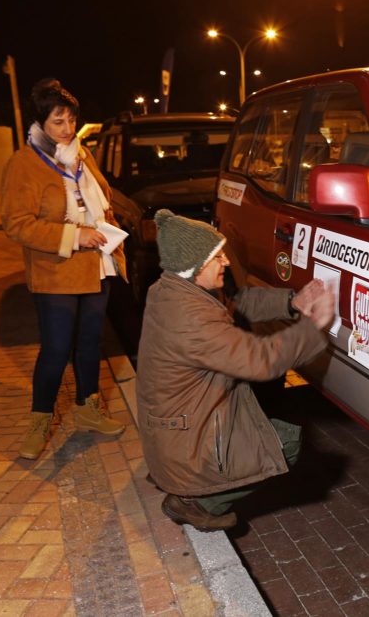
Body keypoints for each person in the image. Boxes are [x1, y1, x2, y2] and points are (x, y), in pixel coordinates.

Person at [137, 209, 335, 530]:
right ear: (194, 266)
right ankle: (195, 502)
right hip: (186, 442)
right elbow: (261, 359)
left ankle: (189, 485)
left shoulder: (174, 290)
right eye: (217, 257)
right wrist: (313, 328)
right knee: (285, 443)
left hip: (179, 428)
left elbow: (238, 301)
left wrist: (292, 301)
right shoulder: (190, 320)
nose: (226, 262)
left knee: (259, 407)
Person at [0, 78, 127, 460]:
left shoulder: (81, 155)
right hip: (56, 271)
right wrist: (76, 235)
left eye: (71, 120)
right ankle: (40, 422)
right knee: (56, 349)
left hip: (96, 266)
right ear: (41, 124)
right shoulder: (24, 164)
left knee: (90, 344)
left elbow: (100, 199)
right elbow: (16, 224)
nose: (68, 129)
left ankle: (88, 410)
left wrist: (108, 223)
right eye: (58, 122)